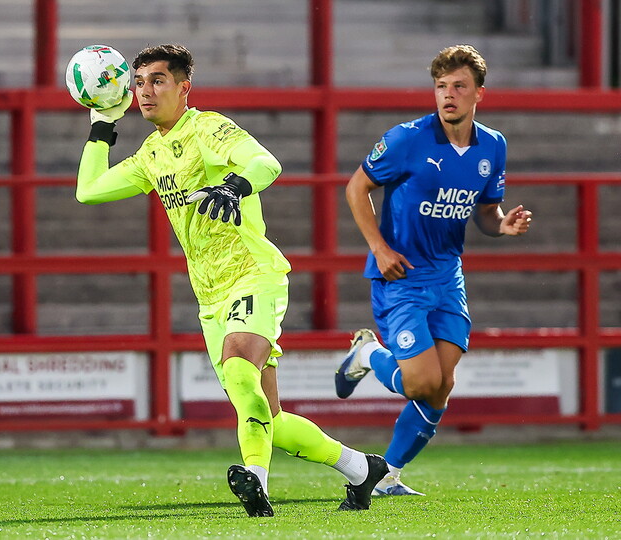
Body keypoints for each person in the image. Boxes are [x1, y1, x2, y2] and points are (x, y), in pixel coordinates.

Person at [76, 43, 389, 516]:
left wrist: (233, 185)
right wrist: (103, 125)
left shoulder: (208, 127)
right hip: (210, 296)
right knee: (267, 415)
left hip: (253, 275)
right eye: (138, 82)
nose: (144, 91)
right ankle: (363, 470)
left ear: (184, 88)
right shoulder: (151, 153)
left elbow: (267, 163)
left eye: (157, 81)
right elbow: (89, 191)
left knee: (240, 362)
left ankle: (256, 481)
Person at [335, 44, 532, 496]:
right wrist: (379, 248)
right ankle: (366, 355)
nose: (448, 95)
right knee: (421, 380)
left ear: (479, 93)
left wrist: (502, 225)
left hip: (448, 277)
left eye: (459, 86)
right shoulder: (407, 139)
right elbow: (356, 187)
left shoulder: (493, 146)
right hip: (401, 275)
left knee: (441, 388)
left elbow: (486, 211)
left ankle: (388, 475)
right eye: (441, 86)